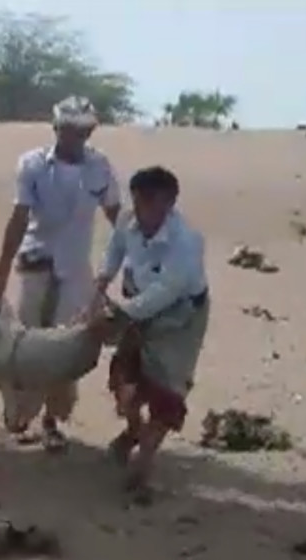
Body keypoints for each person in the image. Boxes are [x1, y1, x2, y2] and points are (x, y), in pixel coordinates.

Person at [0, 96, 123, 452]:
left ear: (90, 130)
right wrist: (0, 275)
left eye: (80, 131)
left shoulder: (100, 168)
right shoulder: (31, 165)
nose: (73, 137)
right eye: (66, 130)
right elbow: (18, 219)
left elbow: (117, 218)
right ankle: (21, 413)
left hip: (76, 271)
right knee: (27, 345)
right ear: (56, 128)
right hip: (35, 266)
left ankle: (52, 421)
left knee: (67, 348)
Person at [87, 166, 209, 502]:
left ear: (169, 202)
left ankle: (143, 463)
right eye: (137, 201)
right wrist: (101, 283)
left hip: (179, 317)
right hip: (135, 303)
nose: (140, 210)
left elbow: (167, 291)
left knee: (167, 390)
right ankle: (132, 431)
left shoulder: (187, 242)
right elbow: (114, 251)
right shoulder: (128, 222)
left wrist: (117, 314)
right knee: (124, 381)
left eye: (148, 202)